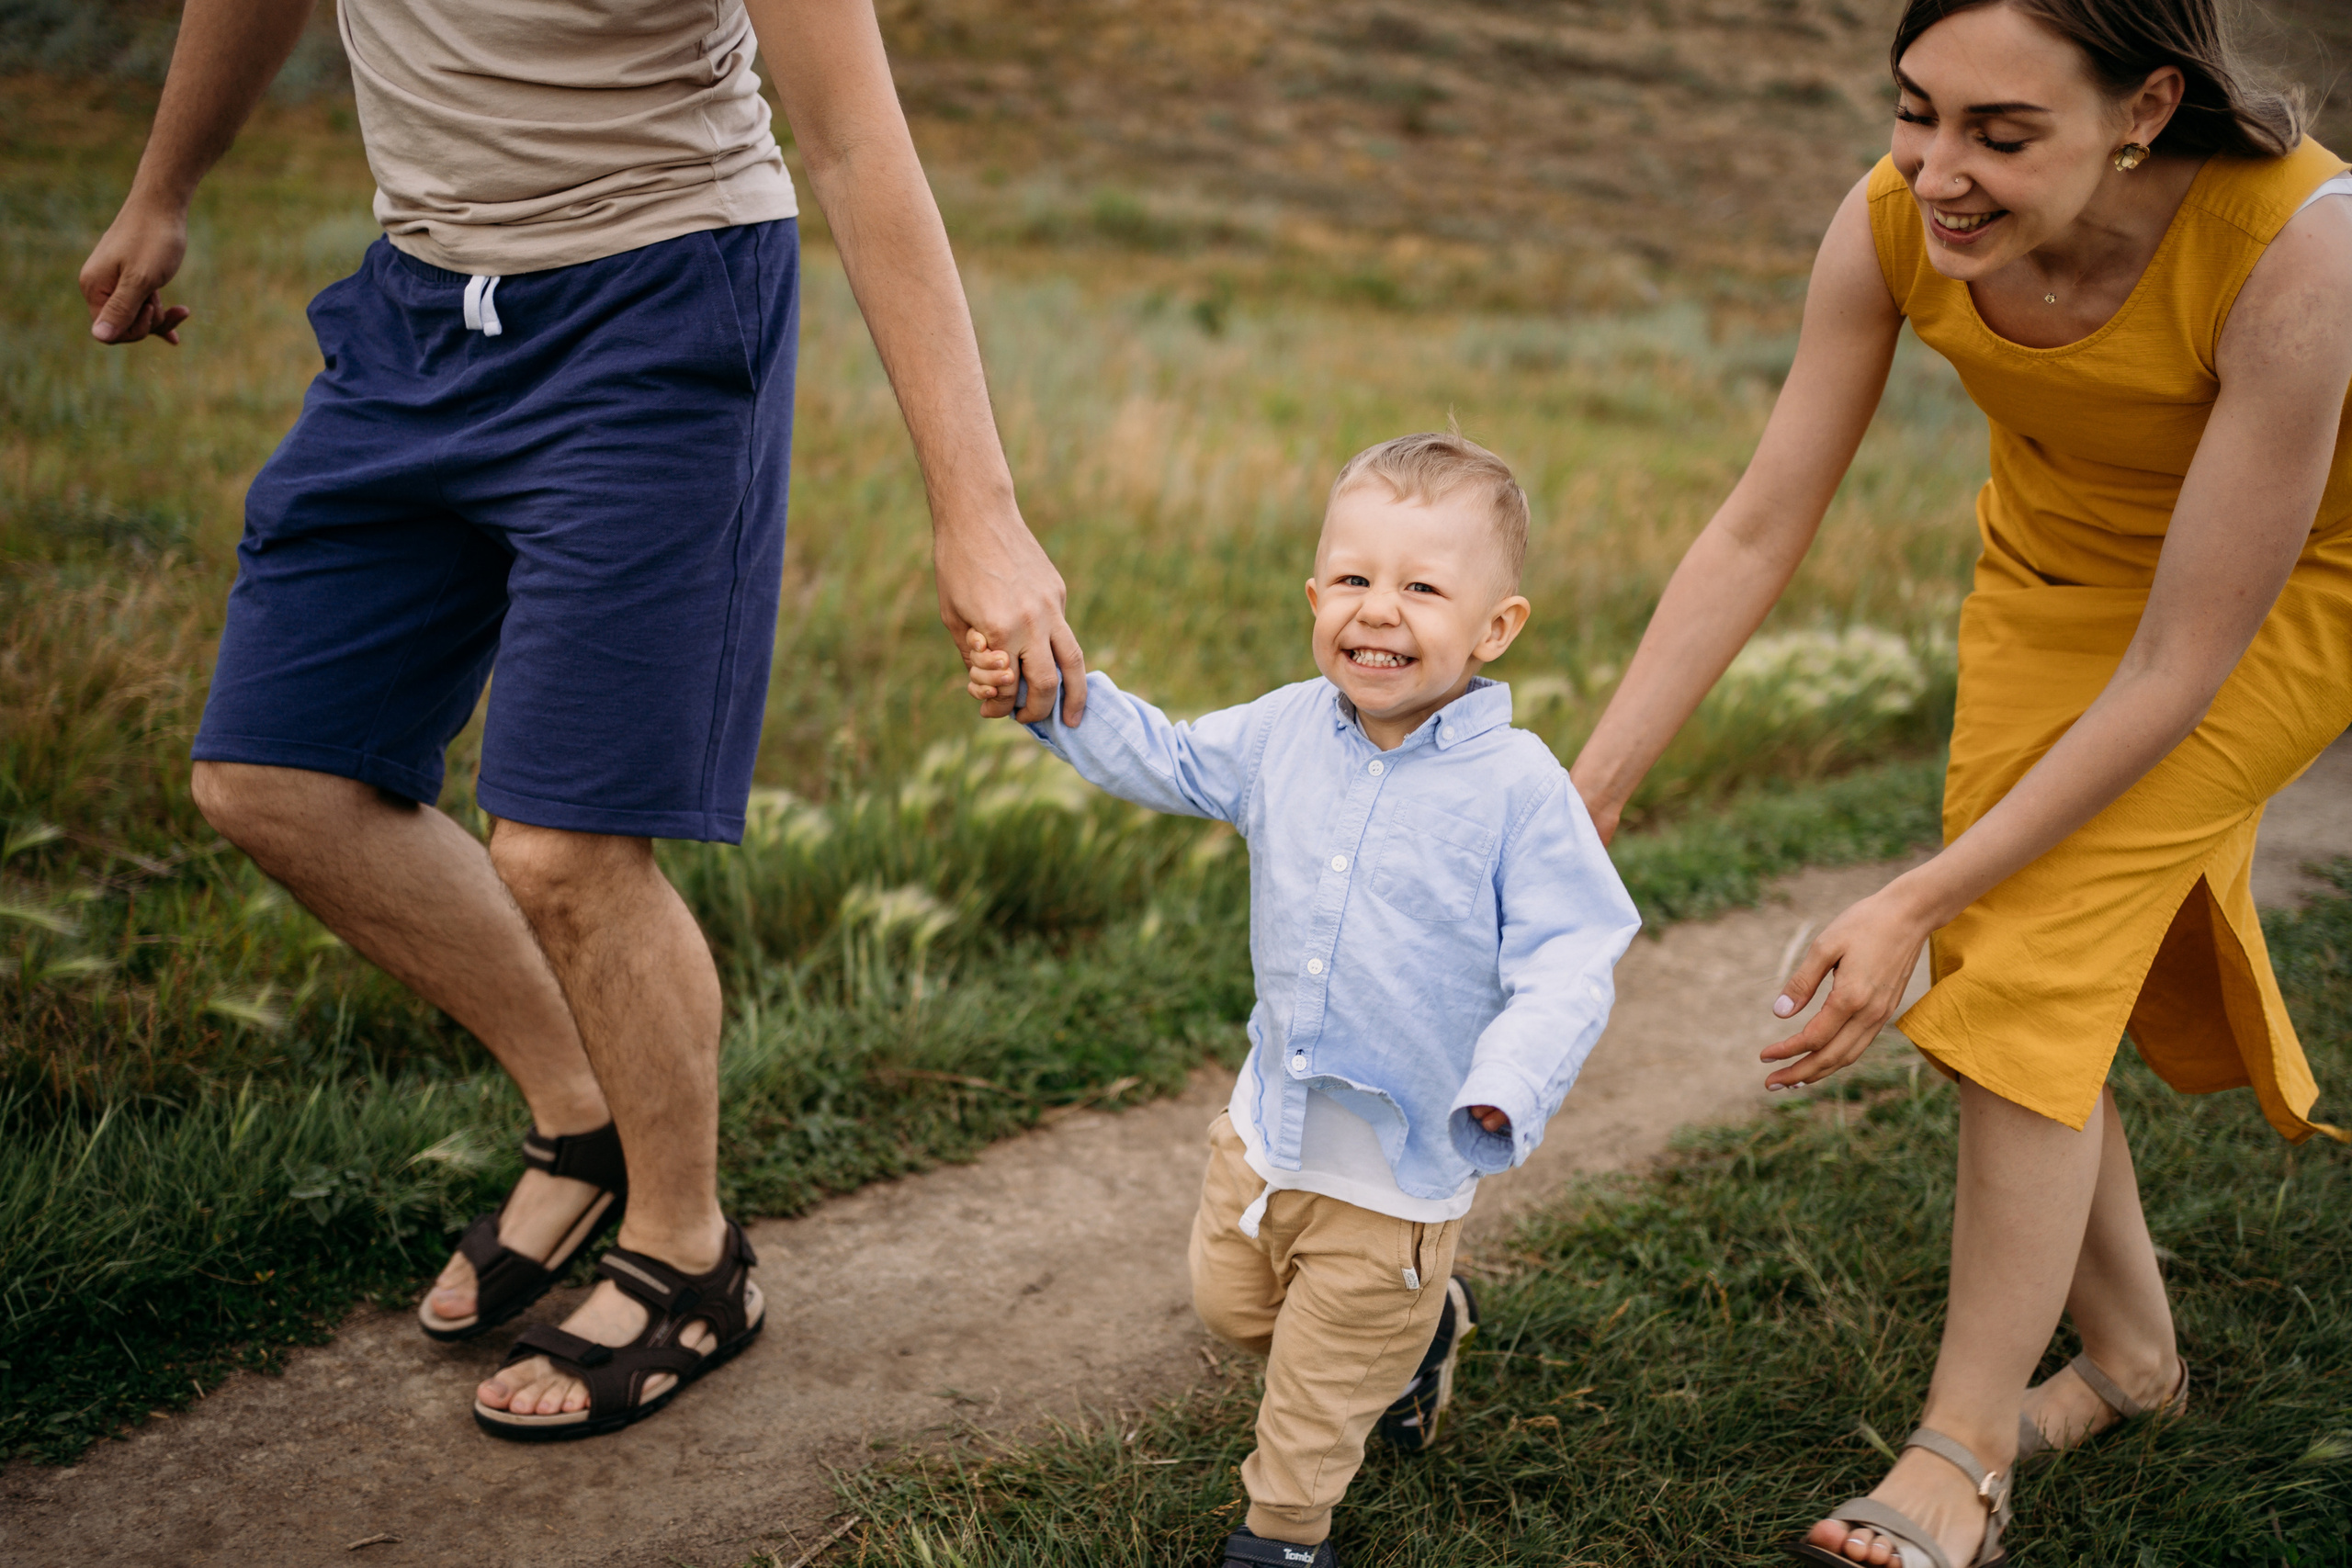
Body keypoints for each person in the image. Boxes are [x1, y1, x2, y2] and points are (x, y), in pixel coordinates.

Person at [76, 0, 1086, 1441]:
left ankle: (688, 1250)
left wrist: (979, 514)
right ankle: (583, 1102)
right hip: (421, 305)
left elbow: (856, 144)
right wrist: (161, 187)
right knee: (269, 774)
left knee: (564, 850)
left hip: (658, 307)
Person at [1565, 0, 2352, 1562]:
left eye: (2002, 135)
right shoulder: (1888, 222)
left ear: (2147, 106)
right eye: (1918, 111)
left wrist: (1914, 896)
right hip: (2046, 580)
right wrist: (1590, 787)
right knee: (2014, 962)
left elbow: (2178, 668)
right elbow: (1756, 523)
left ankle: (1963, 1450)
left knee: (2027, 927)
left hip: (2265, 607)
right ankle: (2131, 1361)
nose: (1938, 170)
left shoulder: (2304, 250)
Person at [966, 433, 1643, 1568]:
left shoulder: (1517, 787)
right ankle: (1418, 1335)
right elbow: (1172, 758)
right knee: (1233, 1311)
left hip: (1405, 1160)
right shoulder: (1286, 730)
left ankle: (1282, 1533)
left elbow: (1575, 945)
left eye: (1422, 588)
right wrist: (1054, 696)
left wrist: (1508, 1081)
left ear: (1495, 627)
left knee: (1318, 1393)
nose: (1378, 610)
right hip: (1269, 1127)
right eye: (1354, 580)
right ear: (1314, 596)